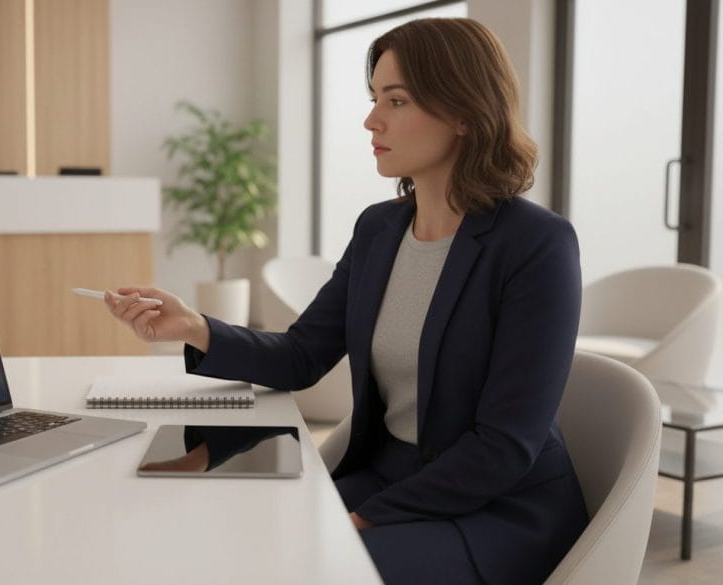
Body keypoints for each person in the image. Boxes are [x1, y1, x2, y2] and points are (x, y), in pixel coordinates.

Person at [102, 17, 587, 585]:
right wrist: (194, 327)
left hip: (495, 508)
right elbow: (302, 355)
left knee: (310, 566)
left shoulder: (536, 245)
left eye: (397, 100)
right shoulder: (380, 229)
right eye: (374, 97)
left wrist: (359, 517)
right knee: (234, 538)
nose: (371, 119)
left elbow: (503, 447)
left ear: (463, 113)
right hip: (390, 475)